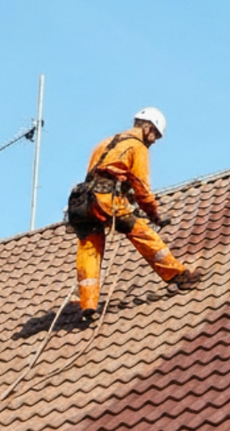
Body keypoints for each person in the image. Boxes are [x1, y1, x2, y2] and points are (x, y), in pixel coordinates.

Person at [68, 107, 204, 322]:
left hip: (82, 202)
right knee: (143, 233)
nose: (154, 141)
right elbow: (141, 187)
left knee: (89, 248)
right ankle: (178, 275)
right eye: (155, 136)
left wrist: (125, 194)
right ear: (148, 127)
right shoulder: (137, 146)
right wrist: (154, 214)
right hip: (107, 201)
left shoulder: (104, 143)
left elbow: (100, 174)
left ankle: (86, 304)